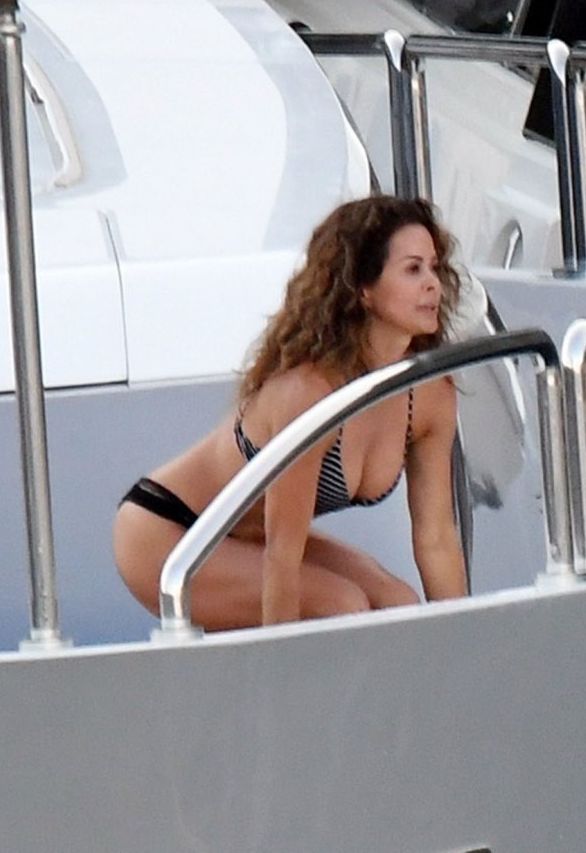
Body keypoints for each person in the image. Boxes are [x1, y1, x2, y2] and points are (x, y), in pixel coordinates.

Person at [112, 194, 468, 629]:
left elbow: (436, 539)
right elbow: (283, 555)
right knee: (342, 605)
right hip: (169, 533)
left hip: (251, 536)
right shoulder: (309, 395)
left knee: (401, 604)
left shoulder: (430, 395)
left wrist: (467, 645)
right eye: (413, 269)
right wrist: (280, 666)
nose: (433, 284)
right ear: (363, 289)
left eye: (434, 268)